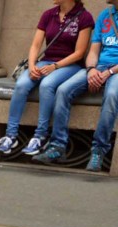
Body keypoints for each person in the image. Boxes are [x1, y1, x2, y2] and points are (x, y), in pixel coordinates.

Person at [0, 1, 95, 156]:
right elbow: (35, 45)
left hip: (69, 65)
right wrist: (32, 66)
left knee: (47, 84)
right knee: (22, 84)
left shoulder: (84, 17)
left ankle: (40, 136)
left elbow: (79, 53)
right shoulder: (48, 15)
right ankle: (11, 135)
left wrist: (55, 67)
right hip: (45, 62)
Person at [45, 0, 118, 170]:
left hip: (116, 71)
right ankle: (58, 146)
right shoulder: (105, 16)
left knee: (112, 95)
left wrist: (110, 72)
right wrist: (91, 69)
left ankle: (99, 150)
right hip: (99, 66)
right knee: (63, 89)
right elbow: (93, 51)